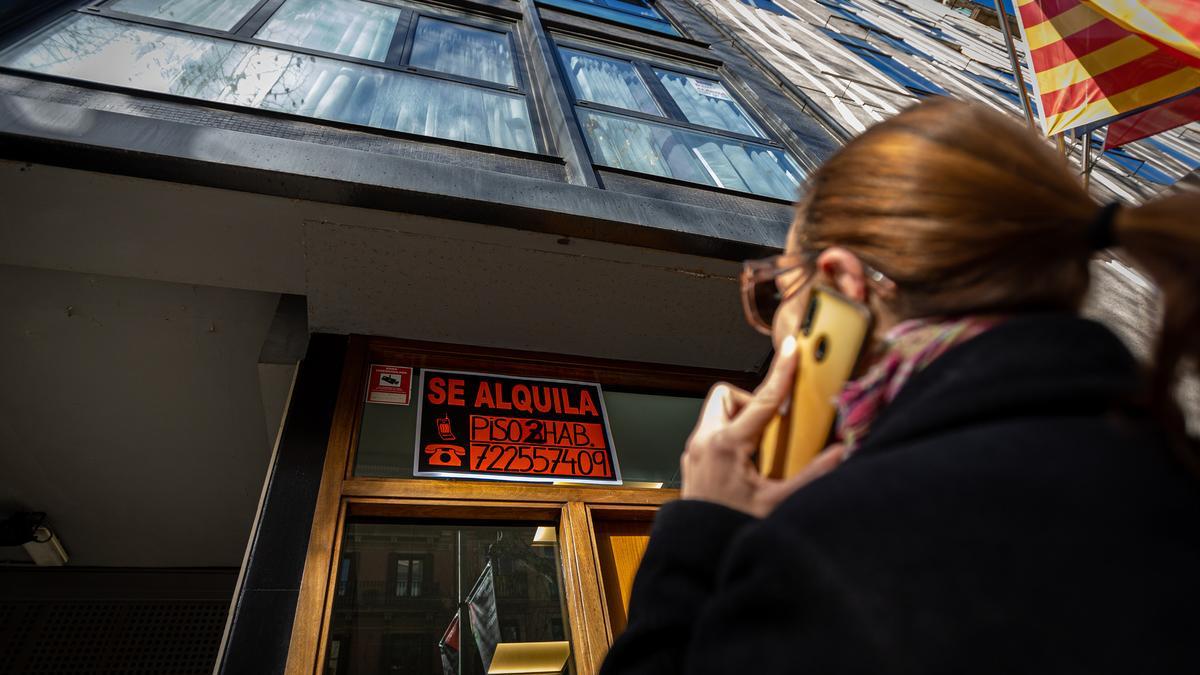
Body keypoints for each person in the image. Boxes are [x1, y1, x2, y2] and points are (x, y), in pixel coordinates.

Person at [600, 98, 1200, 674]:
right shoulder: (1173, 463)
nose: (776, 331)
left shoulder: (832, 555)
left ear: (842, 282)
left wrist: (702, 526)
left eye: (778, 296)